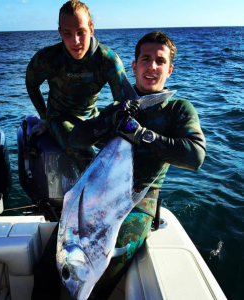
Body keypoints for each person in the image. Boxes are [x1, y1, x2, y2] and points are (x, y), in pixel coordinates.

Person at [67, 30, 207, 299]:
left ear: (170, 69)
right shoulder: (119, 109)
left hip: (137, 203)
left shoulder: (178, 109)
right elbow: (76, 139)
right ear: (134, 66)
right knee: (55, 260)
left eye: (160, 60)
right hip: (97, 197)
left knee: (101, 269)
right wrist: (109, 121)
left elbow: (196, 157)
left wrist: (143, 135)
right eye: (145, 59)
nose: (152, 66)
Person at [25, 0, 126, 172]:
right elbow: (31, 83)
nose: (75, 41)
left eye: (81, 32)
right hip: (59, 117)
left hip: (92, 117)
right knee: (87, 159)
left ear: (91, 29)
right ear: (60, 33)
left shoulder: (108, 60)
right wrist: (44, 117)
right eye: (67, 33)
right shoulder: (47, 58)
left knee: (129, 150)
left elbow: (122, 102)